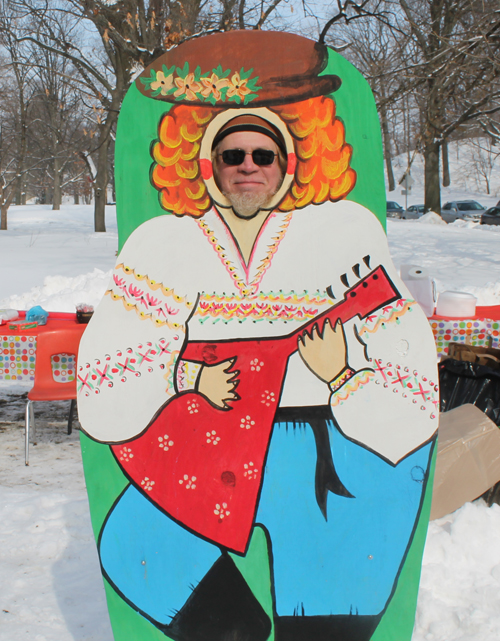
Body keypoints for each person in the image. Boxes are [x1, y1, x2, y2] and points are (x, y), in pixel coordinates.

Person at [78, 38, 438, 641]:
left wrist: (343, 377)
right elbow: (107, 378)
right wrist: (186, 376)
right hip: (207, 445)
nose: (248, 165)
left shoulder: (345, 235)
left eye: (263, 154)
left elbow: (410, 380)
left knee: (326, 620)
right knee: (136, 552)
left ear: (288, 164)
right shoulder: (164, 248)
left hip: (331, 451)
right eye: (233, 153)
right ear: (208, 166)